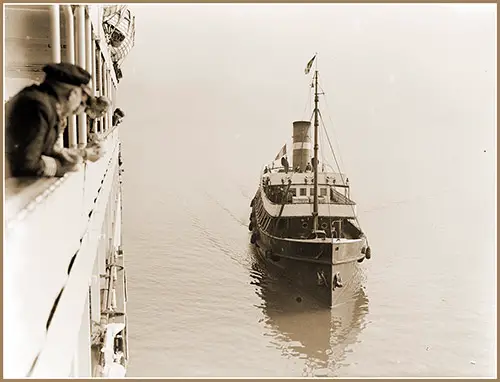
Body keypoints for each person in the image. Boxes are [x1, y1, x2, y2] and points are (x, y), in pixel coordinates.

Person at [5, 62, 94, 178]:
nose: (78, 108)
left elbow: (38, 148)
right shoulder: (38, 107)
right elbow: (27, 163)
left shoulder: (43, 102)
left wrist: (65, 155)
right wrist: (61, 167)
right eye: (80, 102)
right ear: (73, 94)